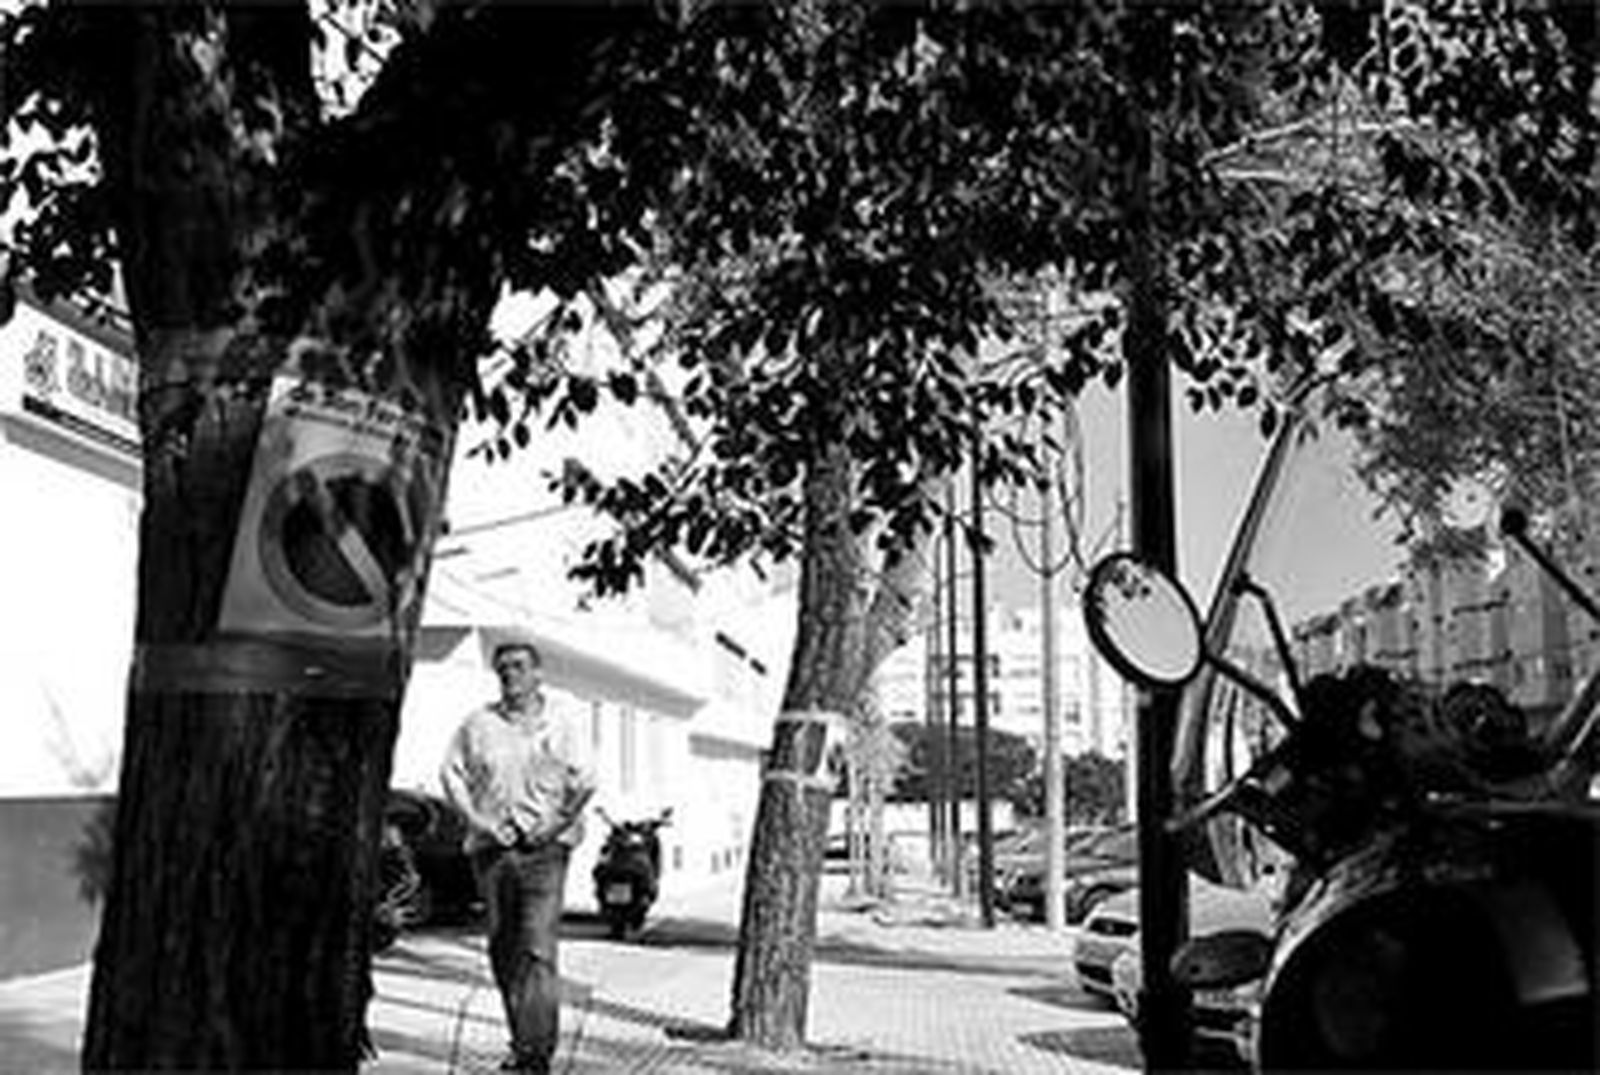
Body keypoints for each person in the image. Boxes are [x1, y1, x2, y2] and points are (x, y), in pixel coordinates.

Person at [440, 633, 596, 1074]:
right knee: (504, 949)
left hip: (545, 850)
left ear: (538, 674)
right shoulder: (478, 724)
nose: (511, 674)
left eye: (520, 666)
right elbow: (451, 775)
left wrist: (555, 824)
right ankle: (523, 1042)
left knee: (537, 947)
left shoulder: (562, 721)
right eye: (503, 668)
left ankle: (535, 1054)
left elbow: (585, 782)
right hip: (491, 851)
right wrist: (478, 822)